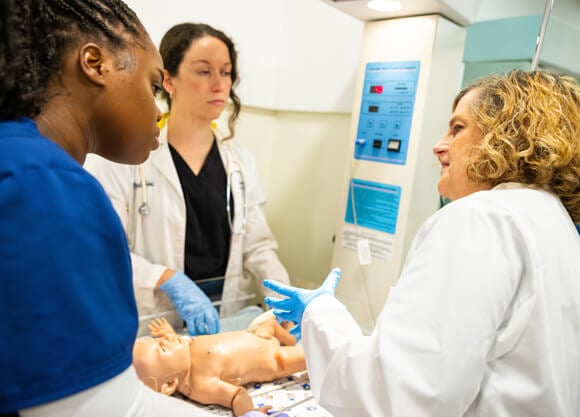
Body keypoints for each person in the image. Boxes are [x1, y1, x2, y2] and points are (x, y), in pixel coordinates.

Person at [0, 2, 266, 416]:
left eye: (226, 72)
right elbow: (100, 410)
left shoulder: (20, 159)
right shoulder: (46, 183)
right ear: (95, 62)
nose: (157, 110)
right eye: (152, 87)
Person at [264, 70, 580, 417]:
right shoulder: (553, 221)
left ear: (506, 136)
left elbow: (400, 395)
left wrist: (320, 314)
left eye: (458, 128)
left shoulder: (480, 219)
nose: (438, 144)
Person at [84, 22, 291, 337]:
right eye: (204, 71)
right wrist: (166, 278)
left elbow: (258, 247)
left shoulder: (239, 161)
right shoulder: (127, 159)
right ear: (168, 80)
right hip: (154, 329)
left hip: (229, 323)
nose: (220, 85)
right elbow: (105, 248)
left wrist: (288, 299)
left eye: (226, 72)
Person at [133, 312, 305, 417]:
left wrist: (169, 334)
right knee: (310, 356)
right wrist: (249, 414)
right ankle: (293, 342)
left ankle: (290, 339)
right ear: (170, 385)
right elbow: (237, 395)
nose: (166, 339)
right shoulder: (198, 384)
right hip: (273, 359)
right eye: (162, 347)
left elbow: (178, 348)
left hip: (256, 334)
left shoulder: (185, 350)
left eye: (157, 339)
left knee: (269, 320)